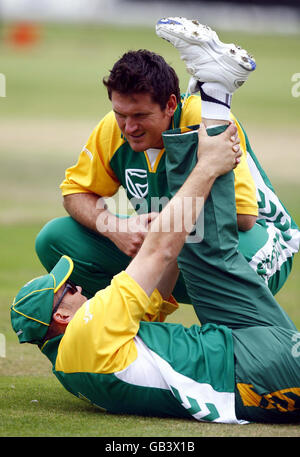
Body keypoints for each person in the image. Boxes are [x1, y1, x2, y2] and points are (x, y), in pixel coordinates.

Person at [11, 120, 300, 424]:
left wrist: (165, 229)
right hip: (249, 363)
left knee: (186, 237)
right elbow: (160, 253)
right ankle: (216, 101)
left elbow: (158, 292)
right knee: (207, 244)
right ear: (61, 316)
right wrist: (206, 169)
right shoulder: (87, 330)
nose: (80, 288)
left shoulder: (70, 366)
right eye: (68, 290)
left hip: (253, 370)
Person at [34, 18, 300, 316]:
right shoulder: (114, 128)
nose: (128, 127)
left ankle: (224, 344)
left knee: (193, 236)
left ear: (171, 104)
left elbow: (242, 217)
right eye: (120, 113)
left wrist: (162, 229)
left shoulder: (204, 118)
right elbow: (75, 193)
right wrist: (116, 228)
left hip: (258, 246)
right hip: (176, 243)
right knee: (55, 239)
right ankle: (121, 333)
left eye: (140, 115)